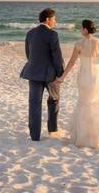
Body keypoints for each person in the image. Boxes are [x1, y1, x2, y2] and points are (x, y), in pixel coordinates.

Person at [56, 19, 99, 148]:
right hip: (97, 76)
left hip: (84, 77)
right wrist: (95, 59)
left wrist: (62, 77)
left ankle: (83, 137)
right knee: (97, 102)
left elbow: (72, 62)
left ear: (85, 29)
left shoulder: (79, 43)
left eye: (81, 28)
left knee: (84, 103)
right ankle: (97, 137)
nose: (80, 30)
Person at [19, 8, 64, 141]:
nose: (55, 21)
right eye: (54, 19)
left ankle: (35, 136)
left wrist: (35, 65)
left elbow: (28, 54)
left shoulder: (30, 33)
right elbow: (57, 56)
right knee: (54, 100)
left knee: (34, 103)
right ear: (47, 19)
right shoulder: (53, 34)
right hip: (50, 74)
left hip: (33, 72)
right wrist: (60, 74)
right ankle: (52, 130)